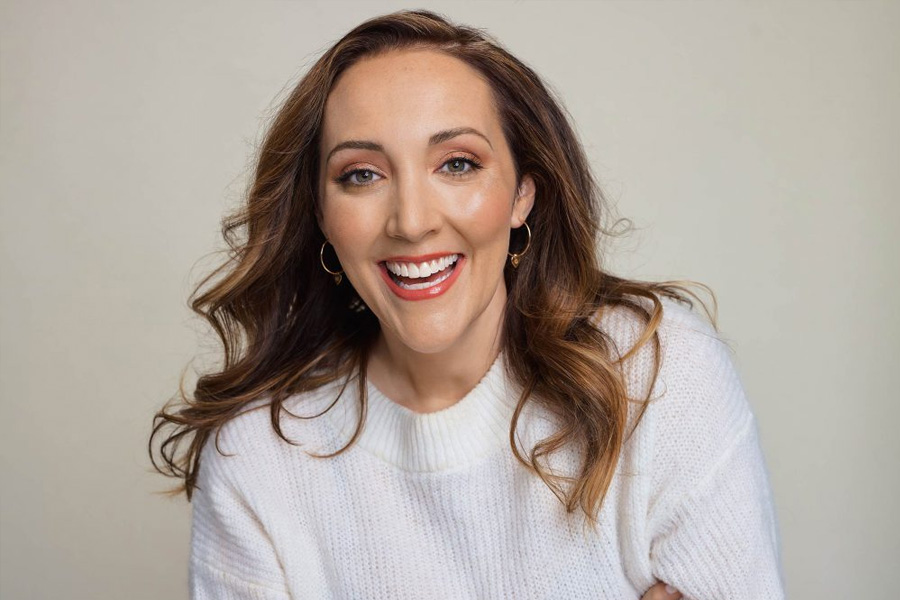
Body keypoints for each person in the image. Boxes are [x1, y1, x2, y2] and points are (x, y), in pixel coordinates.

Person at [150, 9, 785, 600]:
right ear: (321, 214)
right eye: (362, 174)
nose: (412, 221)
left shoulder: (657, 376)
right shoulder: (257, 456)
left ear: (522, 195)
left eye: (456, 164)